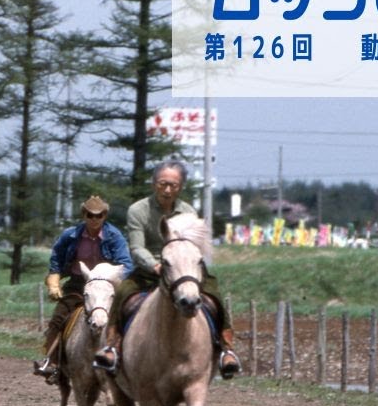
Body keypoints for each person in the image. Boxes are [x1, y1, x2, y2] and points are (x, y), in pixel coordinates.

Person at [93, 160, 240, 379]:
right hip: (149, 269)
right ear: (154, 184)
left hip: (182, 271)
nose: (168, 189)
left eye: (174, 185)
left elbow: (193, 248)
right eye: (163, 184)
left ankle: (226, 350)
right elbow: (136, 246)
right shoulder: (138, 210)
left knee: (214, 295)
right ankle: (113, 346)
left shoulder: (188, 212)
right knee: (123, 293)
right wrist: (154, 265)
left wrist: (185, 266)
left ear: (181, 187)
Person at [32, 195, 132, 381]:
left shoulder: (115, 236)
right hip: (78, 283)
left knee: (127, 316)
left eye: (99, 215)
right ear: (83, 215)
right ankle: (52, 362)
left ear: (105, 216)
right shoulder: (70, 235)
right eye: (90, 215)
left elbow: (126, 265)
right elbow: (56, 258)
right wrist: (54, 280)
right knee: (59, 318)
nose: (94, 219)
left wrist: (112, 279)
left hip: (106, 285)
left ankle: (129, 360)